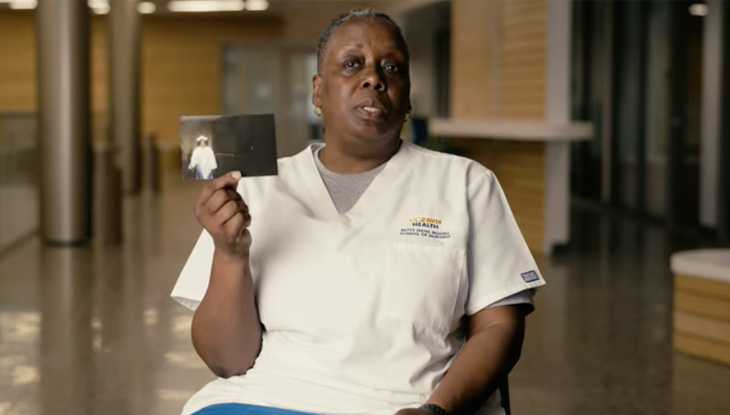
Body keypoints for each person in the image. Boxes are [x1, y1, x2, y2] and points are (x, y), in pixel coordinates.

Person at [171, 9, 545, 415]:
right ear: (317, 92)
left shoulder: (466, 184)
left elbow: (498, 326)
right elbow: (227, 360)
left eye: (391, 68)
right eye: (352, 64)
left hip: (404, 403)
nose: (373, 78)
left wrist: (437, 410)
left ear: (407, 97)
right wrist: (229, 254)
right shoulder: (256, 187)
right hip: (267, 397)